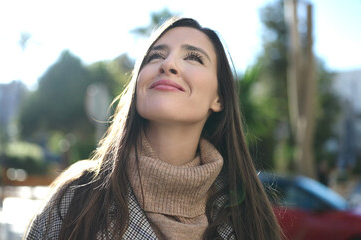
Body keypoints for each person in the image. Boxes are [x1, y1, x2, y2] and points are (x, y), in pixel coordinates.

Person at [25, 17, 282, 240]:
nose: (169, 64)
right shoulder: (75, 199)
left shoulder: (249, 218)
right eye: (156, 55)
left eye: (193, 57)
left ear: (219, 98)